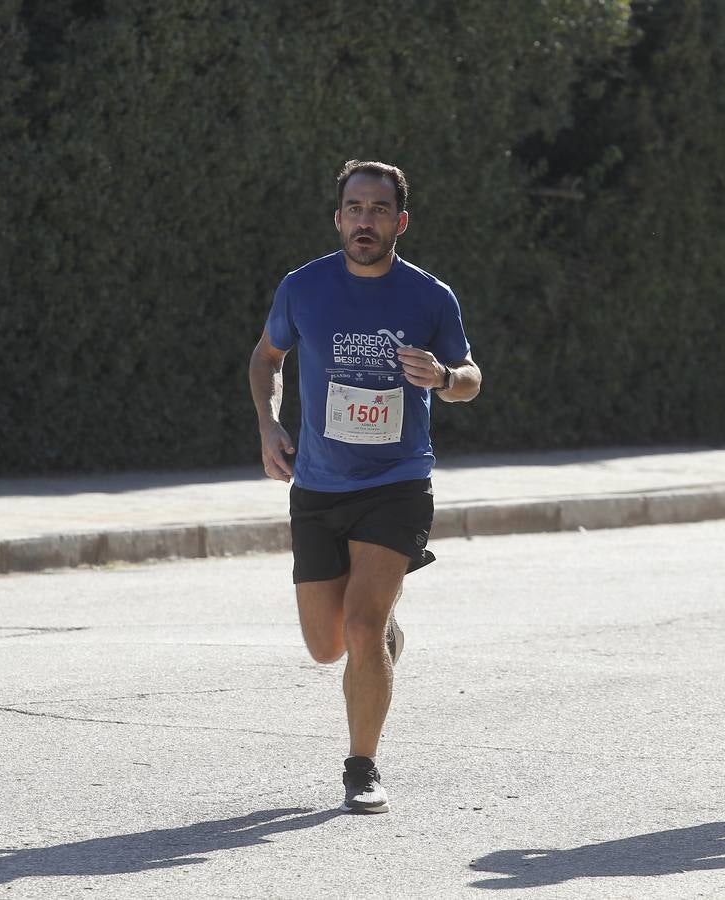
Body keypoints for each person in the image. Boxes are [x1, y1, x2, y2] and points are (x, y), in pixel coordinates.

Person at [248, 160, 481, 813]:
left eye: (380, 210)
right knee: (326, 647)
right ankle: (383, 639)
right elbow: (268, 357)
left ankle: (362, 767)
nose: (366, 221)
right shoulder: (304, 288)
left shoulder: (430, 297)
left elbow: (471, 378)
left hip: (397, 481)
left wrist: (441, 377)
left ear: (400, 222)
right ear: (338, 218)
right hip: (319, 485)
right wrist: (269, 425)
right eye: (355, 208)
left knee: (360, 623)